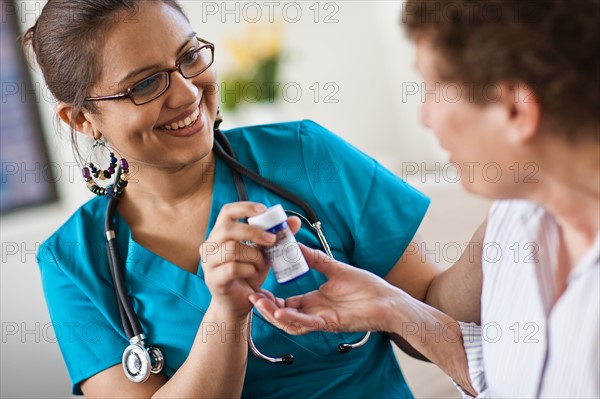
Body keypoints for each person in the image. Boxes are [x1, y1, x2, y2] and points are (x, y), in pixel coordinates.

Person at [28, 0, 443, 397]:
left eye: (189, 56)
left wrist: (506, 211)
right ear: (82, 120)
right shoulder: (70, 260)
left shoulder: (306, 155)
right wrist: (227, 313)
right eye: (145, 84)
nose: (188, 94)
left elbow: (436, 318)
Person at [250, 0, 600, 398]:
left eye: (433, 88)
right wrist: (393, 307)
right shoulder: (515, 215)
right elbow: (514, 377)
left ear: (515, 110)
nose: (424, 116)